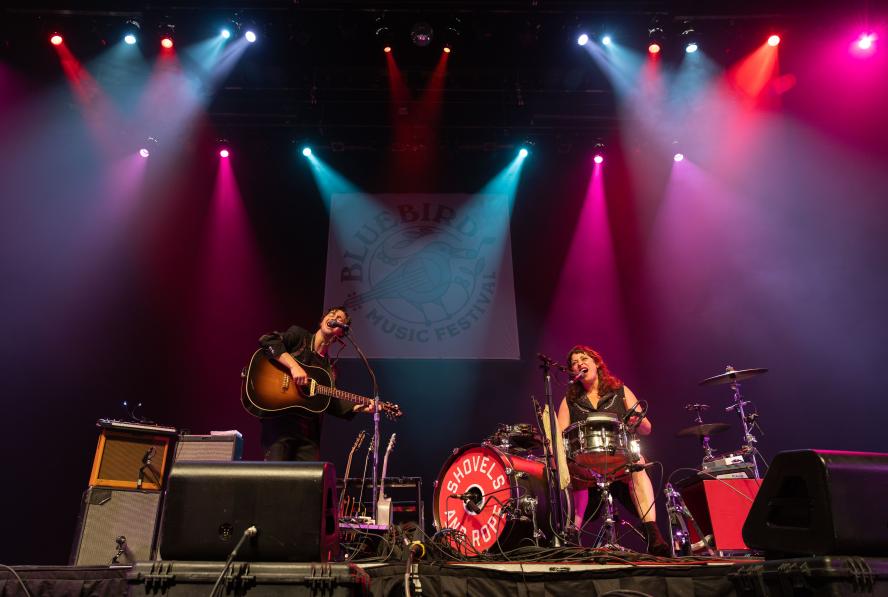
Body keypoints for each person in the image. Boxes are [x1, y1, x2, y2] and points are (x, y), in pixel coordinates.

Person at [556, 345, 670, 556]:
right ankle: (571, 538)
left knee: (639, 464)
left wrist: (638, 420)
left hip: (619, 459)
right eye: (574, 362)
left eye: (584, 358)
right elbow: (560, 437)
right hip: (585, 465)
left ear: (596, 362)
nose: (580, 363)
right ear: (572, 372)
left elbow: (647, 428)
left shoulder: (620, 391)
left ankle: (653, 535)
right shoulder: (569, 401)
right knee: (573, 475)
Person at [258, 306, 371, 461]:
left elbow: (331, 401)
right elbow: (268, 340)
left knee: (309, 480)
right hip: (280, 422)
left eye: (339, 319)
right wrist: (294, 366)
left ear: (341, 333)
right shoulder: (300, 337)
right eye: (331, 314)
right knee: (275, 477)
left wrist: (361, 406)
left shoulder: (330, 369)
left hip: (307, 431)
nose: (334, 318)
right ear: (322, 321)